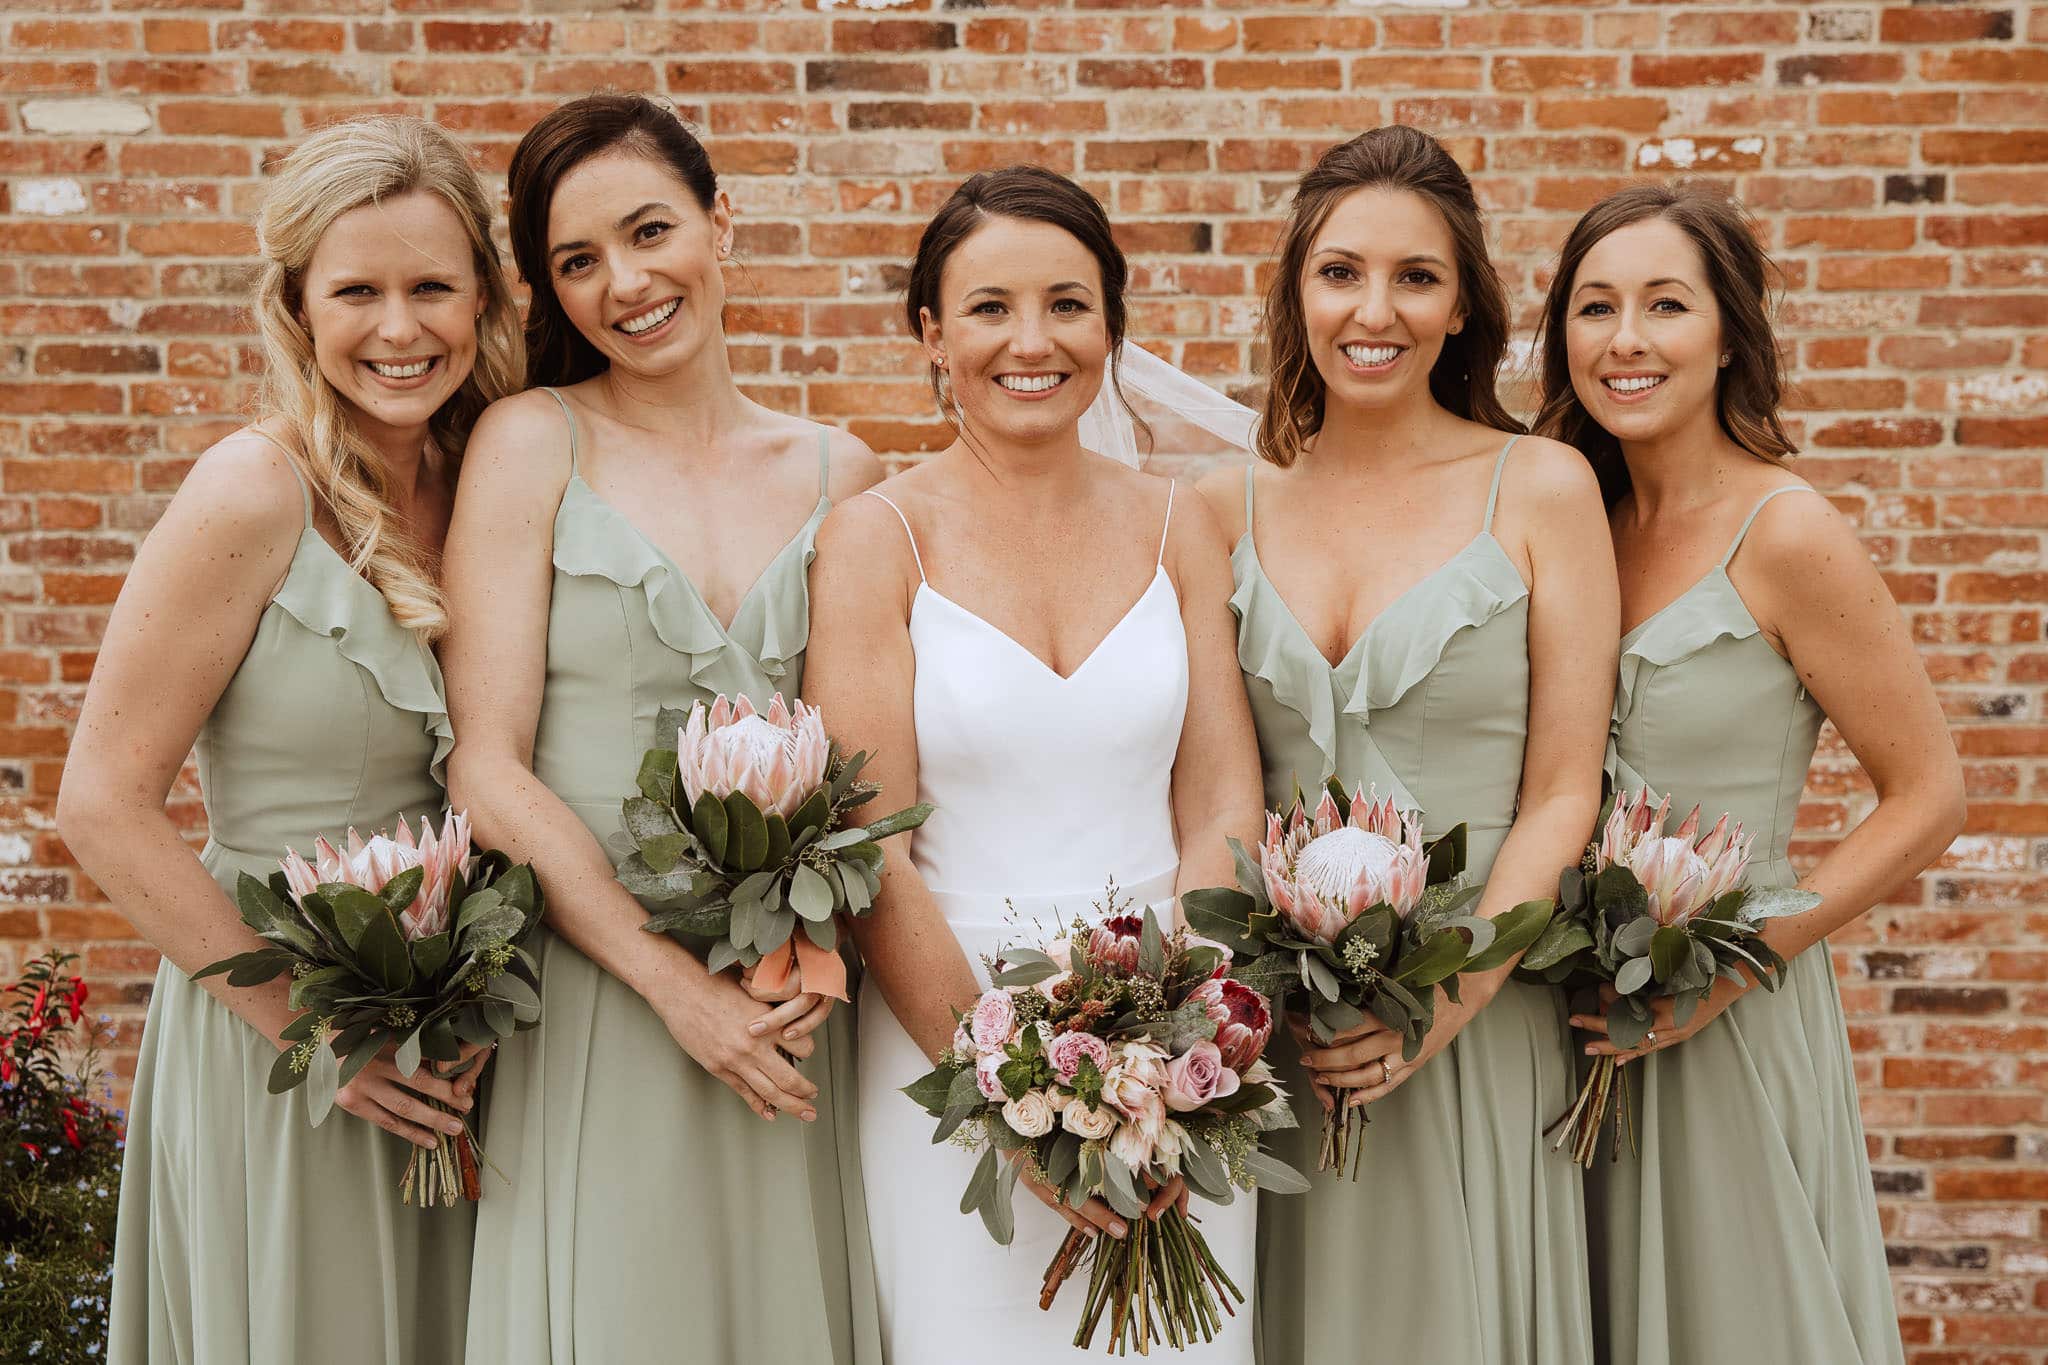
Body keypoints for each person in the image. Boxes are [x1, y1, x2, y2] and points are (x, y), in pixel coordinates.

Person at [62, 115, 523, 1364]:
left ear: (482, 295)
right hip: (288, 1040)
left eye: (432, 286)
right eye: (356, 291)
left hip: (467, 1045)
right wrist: (325, 1040)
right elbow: (101, 802)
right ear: (297, 306)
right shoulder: (250, 493)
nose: (398, 328)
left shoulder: (494, 473)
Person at [438, 94, 884, 1364]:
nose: (623, 284)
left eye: (648, 231)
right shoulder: (534, 444)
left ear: (719, 223)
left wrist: (803, 957)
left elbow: (864, 770)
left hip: (790, 1002)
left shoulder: (843, 473)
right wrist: (673, 991)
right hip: (605, 997)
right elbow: (484, 758)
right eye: (576, 262)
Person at [805, 165, 1266, 1364]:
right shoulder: (875, 538)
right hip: (948, 1040)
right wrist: (1011, 1105)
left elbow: (1219, 798)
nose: (1031, 340)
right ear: (932, 335)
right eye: (988, 307)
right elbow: (870, 848)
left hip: (1169, 1034)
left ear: (1109, 325)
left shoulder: (1181, 524)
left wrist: (1172, 1059)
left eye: (1066, 304)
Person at [1198, 125, 1614, 1363]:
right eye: (1338, 273)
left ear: (1458, 309)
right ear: (1295, 292)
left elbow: (1561, 789)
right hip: (1276, 1040)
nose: (1371, 310)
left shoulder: (1538, 488)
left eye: (1413, 278)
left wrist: (1445, 998)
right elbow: (1212, 788)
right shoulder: (1219, 506)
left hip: (1471, 1015)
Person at [1537, 182, 1962, 1365]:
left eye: (1663, 305)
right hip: (1561, 1022)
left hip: (1724, 1015)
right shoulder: (1561, 516)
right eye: (1592, 307)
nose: (1623, 340)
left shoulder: (1784, 532)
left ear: (1728, 333)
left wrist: (1730, 968)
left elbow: (1929, 795)